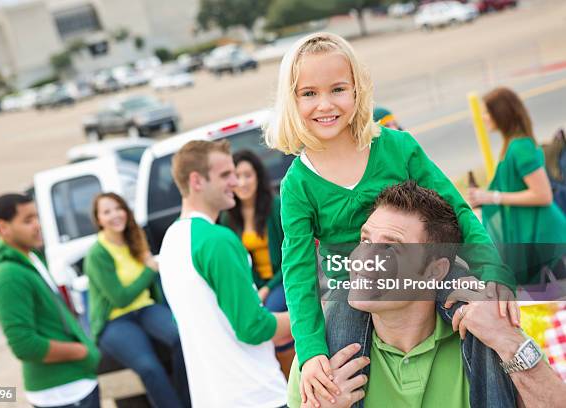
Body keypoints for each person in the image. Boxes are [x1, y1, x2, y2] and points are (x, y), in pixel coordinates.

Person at [263, 31, 518, 407]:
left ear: (357, 90)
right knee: (334, 373)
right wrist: (311, 349)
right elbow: (298, 270)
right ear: (291, 99)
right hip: (353, 289)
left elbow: (458, 210)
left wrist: (492, 271)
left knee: (487, 323)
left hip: (425, 268)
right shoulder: (298, 184)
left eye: (338, 89)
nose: (325, 104)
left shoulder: (398, 147)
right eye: (309, 93)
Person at [287, 181, 566, 408]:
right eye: (365, 240)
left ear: (434, 271)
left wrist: (508, 343)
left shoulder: (489, 334)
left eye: (391, 248)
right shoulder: (319, 359)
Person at [159, 140, 293, 407]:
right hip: (256, 395)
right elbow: (253, 327)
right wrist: (317, 313)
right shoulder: (218, 239)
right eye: (225, 175)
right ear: (197, 181)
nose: (235, 181)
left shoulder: (171, 240)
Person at [0, 193, 101, 408]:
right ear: (4, 227)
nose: (38, 225)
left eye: (37, 217)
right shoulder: (8, 275)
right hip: (62, 395)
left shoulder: (29, 257)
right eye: (28, 220)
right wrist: (81, 352)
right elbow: (24, 344)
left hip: (76, 384)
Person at [84, 192, 190, 408]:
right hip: (116, 320)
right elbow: (120, 298)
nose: (115, 215)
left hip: (145, 309)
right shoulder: (97, 253)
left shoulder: (135, 238)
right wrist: (148, 270)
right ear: (98, 219)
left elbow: (152, 288)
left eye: (118, 208)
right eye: (107, 211)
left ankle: (188, 402)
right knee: (148, 367)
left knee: (183, 338)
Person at [468, 87, 566, 284]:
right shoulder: (511, 145)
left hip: (546, 238)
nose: (484, 118)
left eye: (487, 112)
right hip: (535, 238)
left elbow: (543, 194)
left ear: (501, 114)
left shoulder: (520, 147)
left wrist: (493, 197)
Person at [220, 149, 295, 374]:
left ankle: (291, 372)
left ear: (258, 177)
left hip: (284, 278)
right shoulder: (228, 217)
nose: (242, 182)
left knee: (268, 314)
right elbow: (238, 264)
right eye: (237, 176)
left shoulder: (276, 206)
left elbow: (291, 256)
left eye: (248, 175)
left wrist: (265, 288)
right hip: (255, 285)